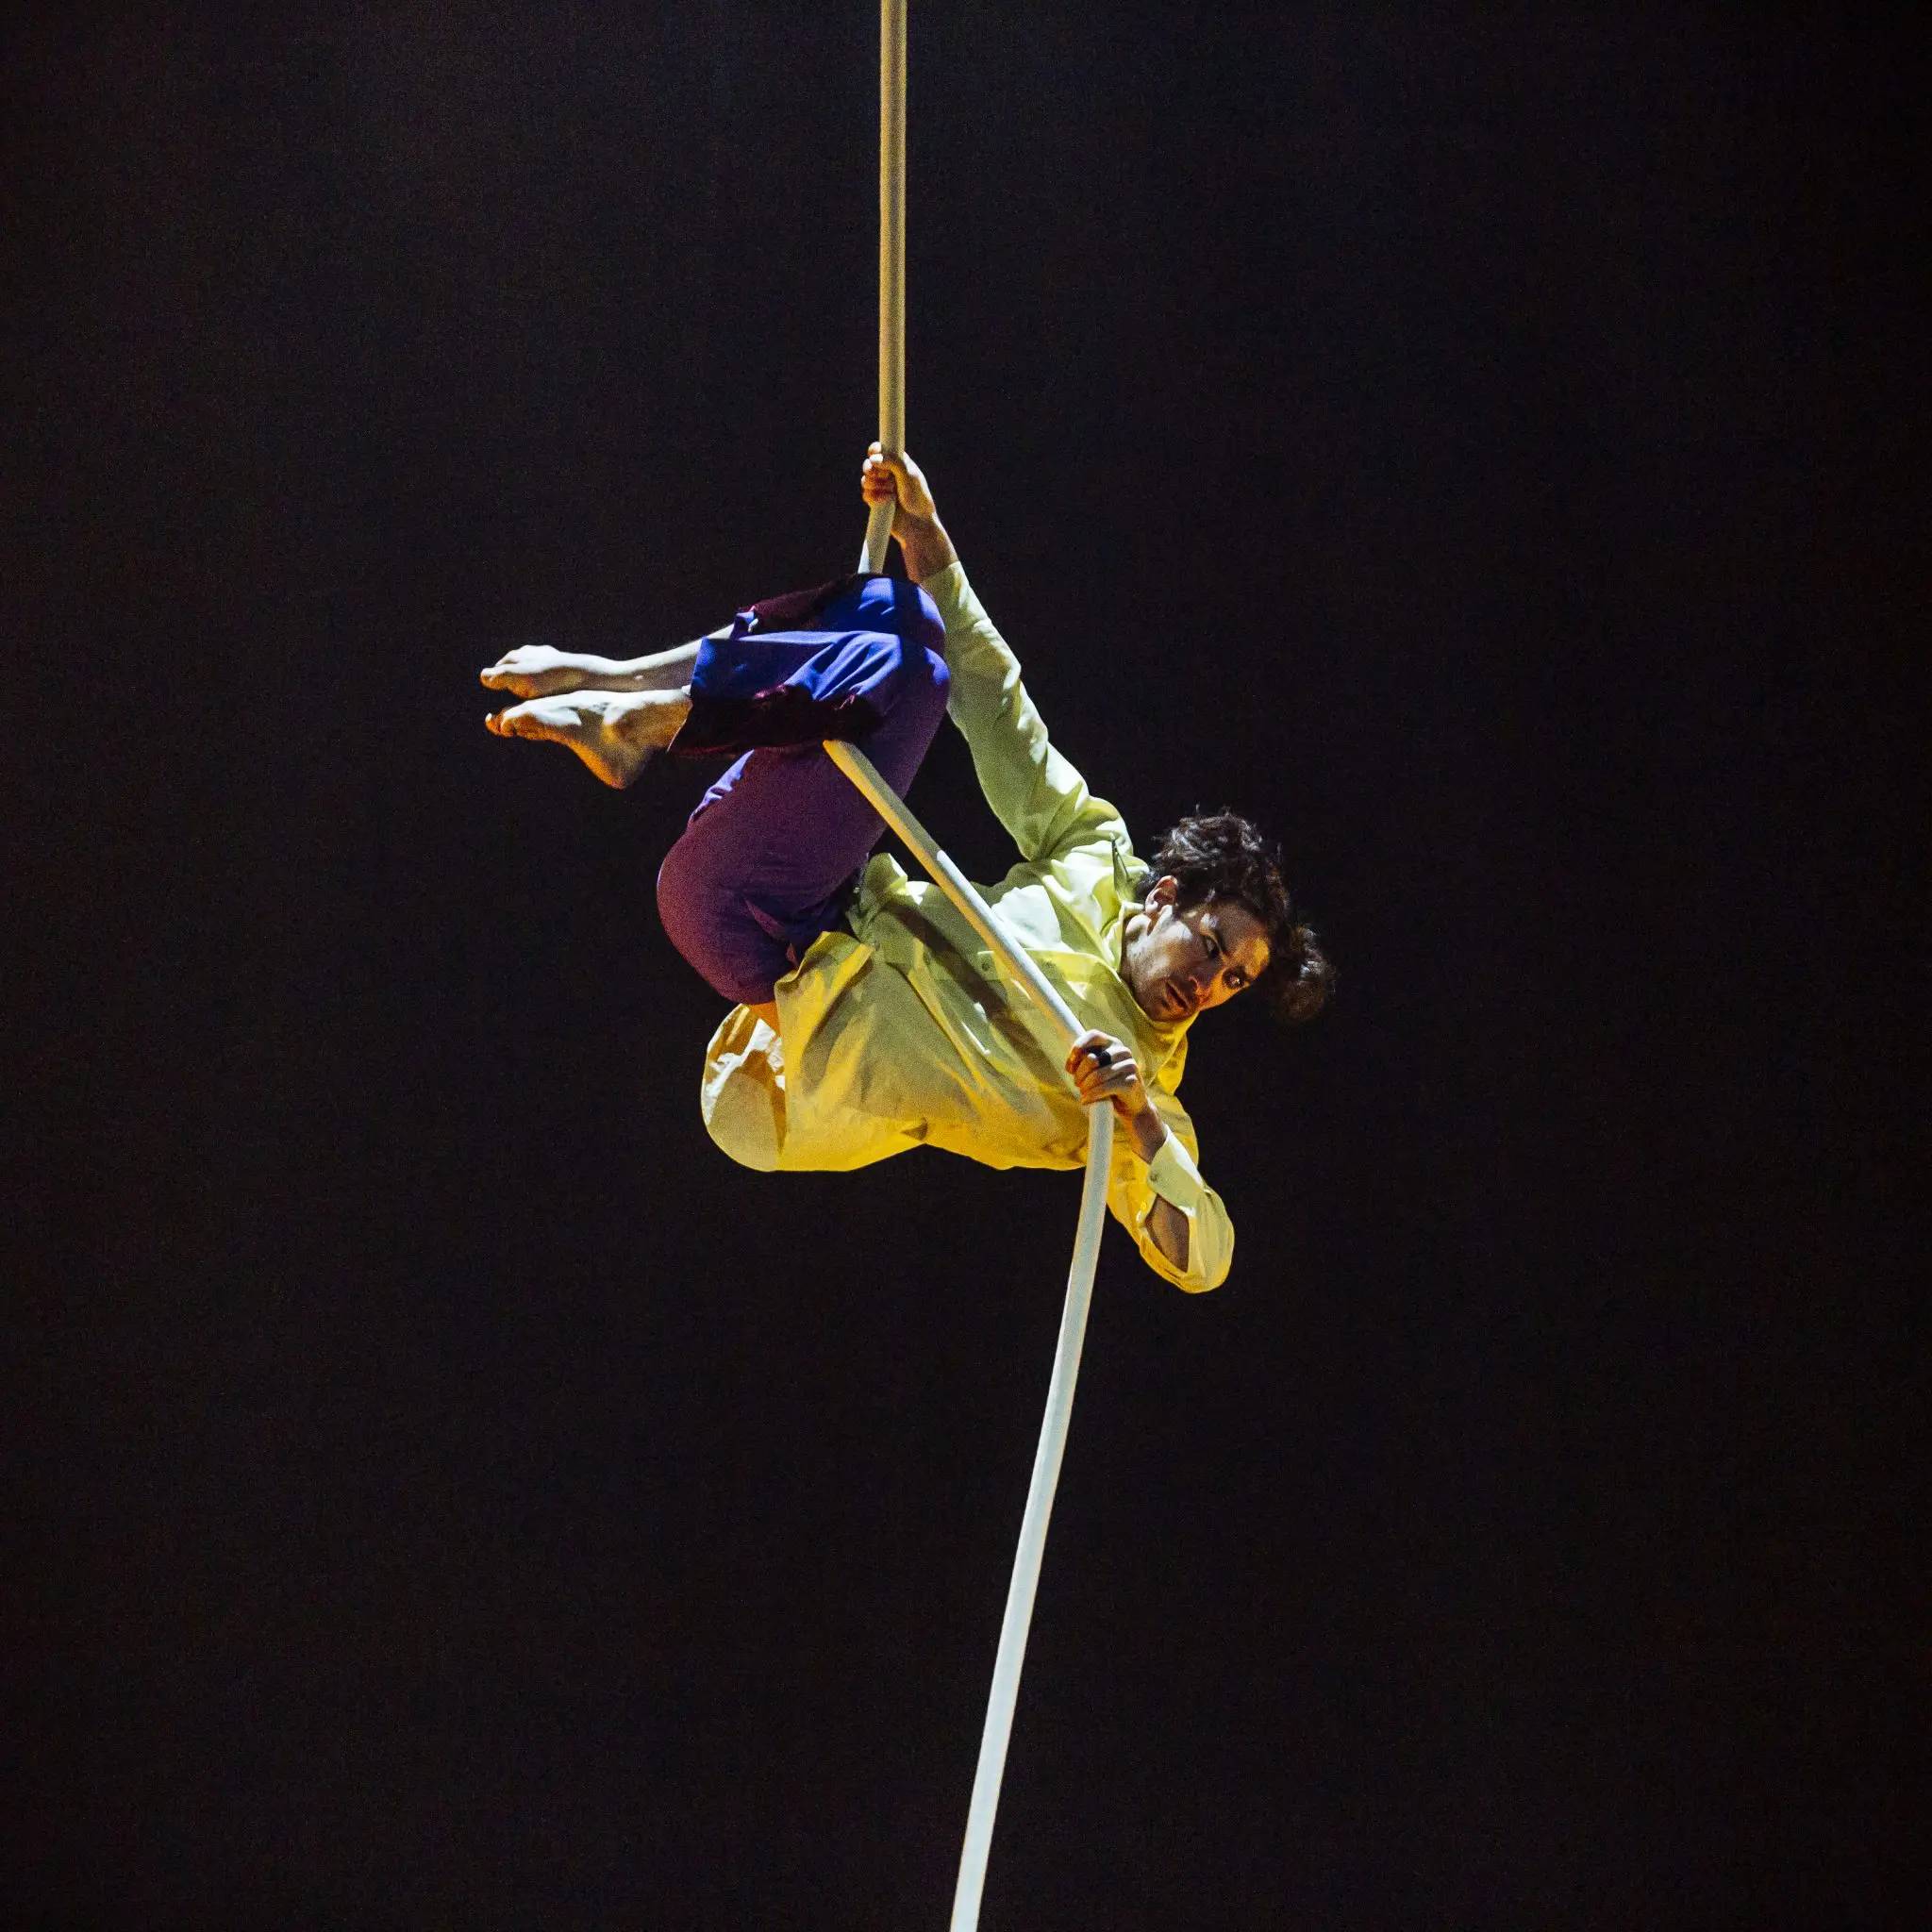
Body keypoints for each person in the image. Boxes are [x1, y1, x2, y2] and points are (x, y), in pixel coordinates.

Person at [480, 449, 1331, 1291]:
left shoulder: (1136, 1087)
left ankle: (653, 720)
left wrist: (1139, 1121)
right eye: (1213, 947)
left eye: (1234, 982)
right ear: (1166, 897)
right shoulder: (1096, 852)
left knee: (900, 655)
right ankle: (628, 693)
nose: (1209, 986)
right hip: (807, 871)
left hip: (766, 953)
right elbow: (1000, 711)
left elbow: (1202, 1259)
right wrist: (926, 534)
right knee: (903, 623)